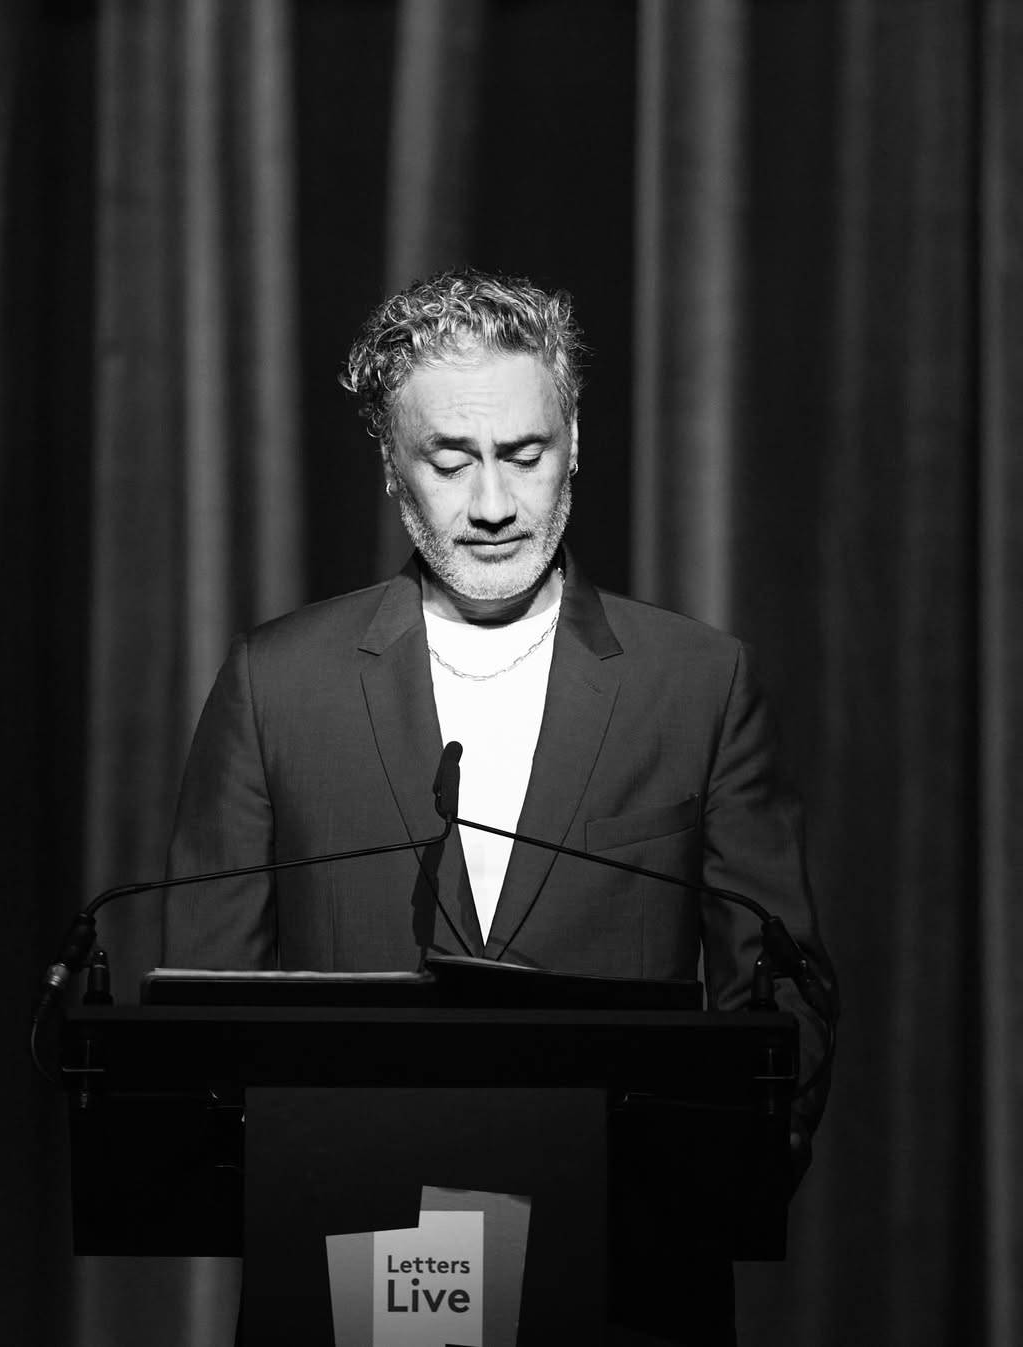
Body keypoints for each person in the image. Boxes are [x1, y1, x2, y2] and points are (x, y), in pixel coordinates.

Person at [164, 267, 835, 1347]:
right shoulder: (274, 685)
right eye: (449, 459)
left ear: (575, 444)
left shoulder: (698, 684)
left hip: (630, 1287)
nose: (491, 503)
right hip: (347, 1281)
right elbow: (204, 1014)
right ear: (392, 470)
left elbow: (785, 1004)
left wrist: (698, 1194)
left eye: (525, 456)